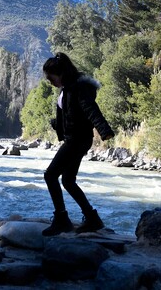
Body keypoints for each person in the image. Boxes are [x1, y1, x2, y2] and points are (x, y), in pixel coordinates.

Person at [41, 52, 114, 236]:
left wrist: (104, 130)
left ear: (61, 73)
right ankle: (92, 219)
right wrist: (57, 125)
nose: (50, 81)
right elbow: (70, 114)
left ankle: (61, 219)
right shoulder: (66, 88)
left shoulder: (78, 88)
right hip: (74, 138)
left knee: (50, 175)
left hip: (77, 140)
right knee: (67, 180)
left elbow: (90, 109)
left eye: (51, 77)